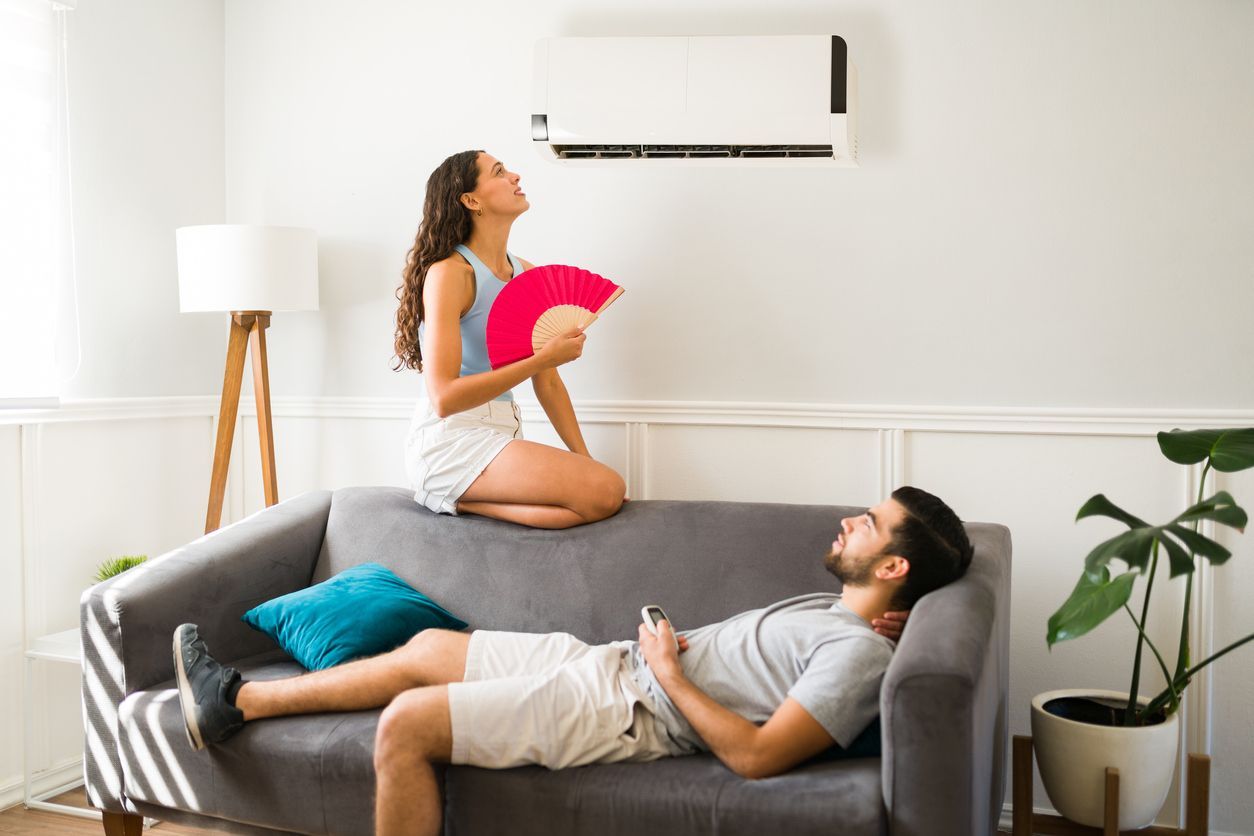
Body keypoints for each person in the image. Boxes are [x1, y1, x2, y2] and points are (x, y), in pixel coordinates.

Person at [172, 486, 973, 836]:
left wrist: (667, 671)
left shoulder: (859, 653)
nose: (847, 523)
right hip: (609, 663)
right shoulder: (836, 613)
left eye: (867, 524)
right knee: (425, 650)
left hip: (627, 706)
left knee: (406, 726)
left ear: (895, 568)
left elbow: (758, 756)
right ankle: (233, 703)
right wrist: (656, 655)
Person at [392, 149, 625, 528]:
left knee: (601, 496)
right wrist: (542, 359)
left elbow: (547, 382)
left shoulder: (527, 274)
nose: (516, 176)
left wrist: (584, 459)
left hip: (502, 434)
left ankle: (460, 502)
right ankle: (440, 488)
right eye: (500, 172)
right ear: (471, 200)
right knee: (605, 489)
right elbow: (444, 398)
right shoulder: (451, 274)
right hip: (450, 441)